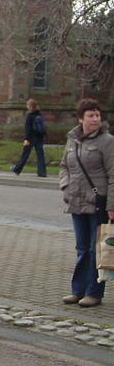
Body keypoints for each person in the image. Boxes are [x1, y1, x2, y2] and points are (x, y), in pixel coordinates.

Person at [59, 98, 114, 308]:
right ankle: (77, 290)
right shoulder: (72, 140)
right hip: (76, 201)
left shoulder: (107, 141)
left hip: (98, 203)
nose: (95, 119)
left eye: (97, 115)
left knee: (95, 249)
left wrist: (111, 205)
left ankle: (94, 293)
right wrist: (65, 186)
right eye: (90, 115)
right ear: (81, 118)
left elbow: (113, 175)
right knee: (81, 248)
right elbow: (64, 166)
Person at [11, 98, 47, 177]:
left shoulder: (29, 116)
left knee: (25, 155)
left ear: (30, 106)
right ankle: (42, 172)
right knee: (40, 155)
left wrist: (26, 139)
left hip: (30, 138)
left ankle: (17, 169)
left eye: (27, 105)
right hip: (39, 138)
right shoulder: (39, 115)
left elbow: (28, 129)